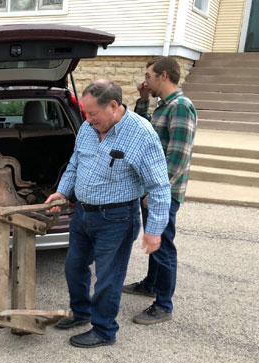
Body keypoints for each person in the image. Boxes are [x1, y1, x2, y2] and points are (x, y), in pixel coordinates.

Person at [45, 79, 171, 348]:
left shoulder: (141, 134)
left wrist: (154, 230)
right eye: (86, 113)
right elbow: (75, 164)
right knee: (74, 266)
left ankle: (104, 330)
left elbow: (159, 186)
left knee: (107, 278)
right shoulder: (88, 129)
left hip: (117, 219)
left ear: (113, 106)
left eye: (93, 113)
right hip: (82, 214)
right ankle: (81, 312)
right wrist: (63, 192)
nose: (88, 120)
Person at [123, 56, 197, 325]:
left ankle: (163, 304)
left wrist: (155, 191)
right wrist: (142, 100)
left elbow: (177, 157)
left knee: (162, 245)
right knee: (155, 242)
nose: (146, 80)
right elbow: (141, 132)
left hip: (163, 192)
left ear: (164, 75)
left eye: (149, 76)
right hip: (152, 189)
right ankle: (151, 284)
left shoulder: (180, 107)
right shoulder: (163, 106)